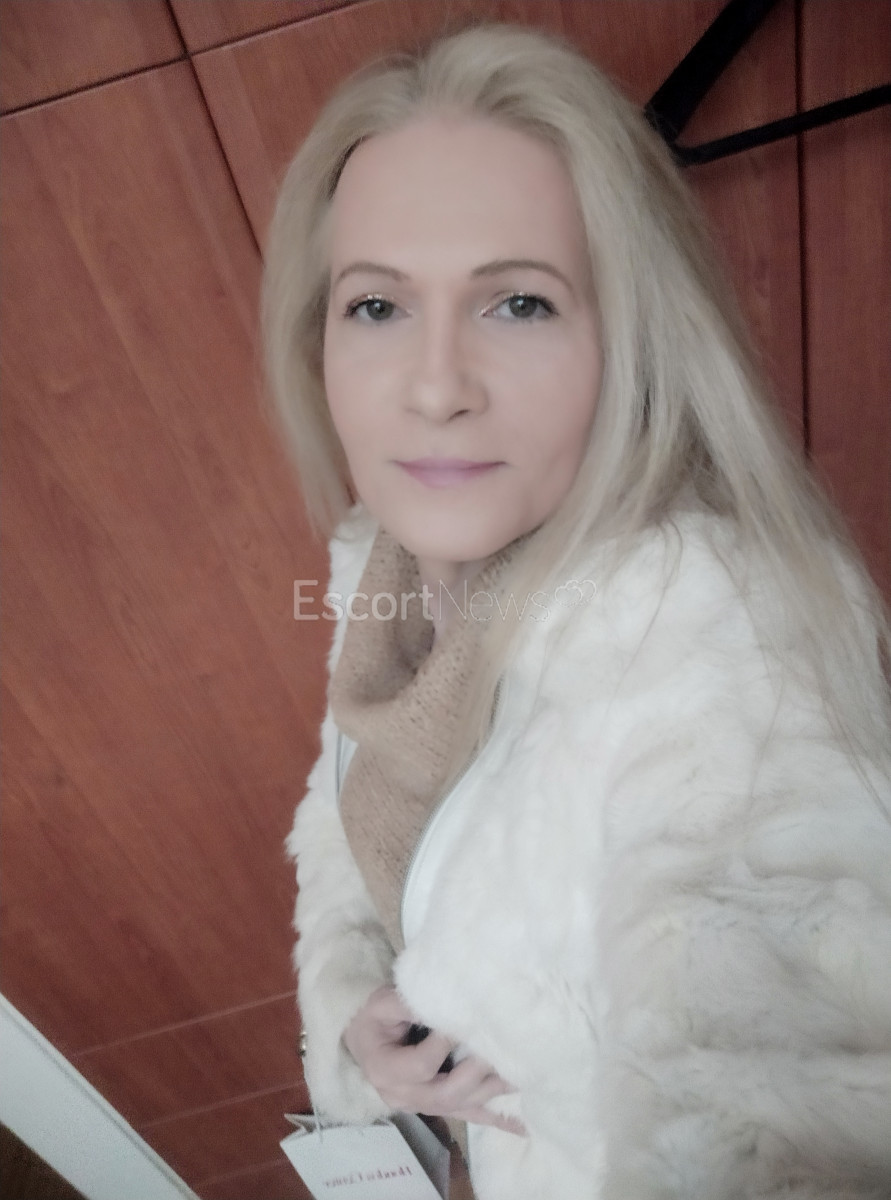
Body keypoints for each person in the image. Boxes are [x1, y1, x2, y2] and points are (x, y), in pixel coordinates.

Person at [262, 21, 891, 1200]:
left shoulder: (719, 650)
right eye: (378, 307)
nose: (436, 388)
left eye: (518, 304)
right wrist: (352, 1010)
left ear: (634, 335)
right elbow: (356, 807)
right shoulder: (387, 561)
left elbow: (791, 1107)